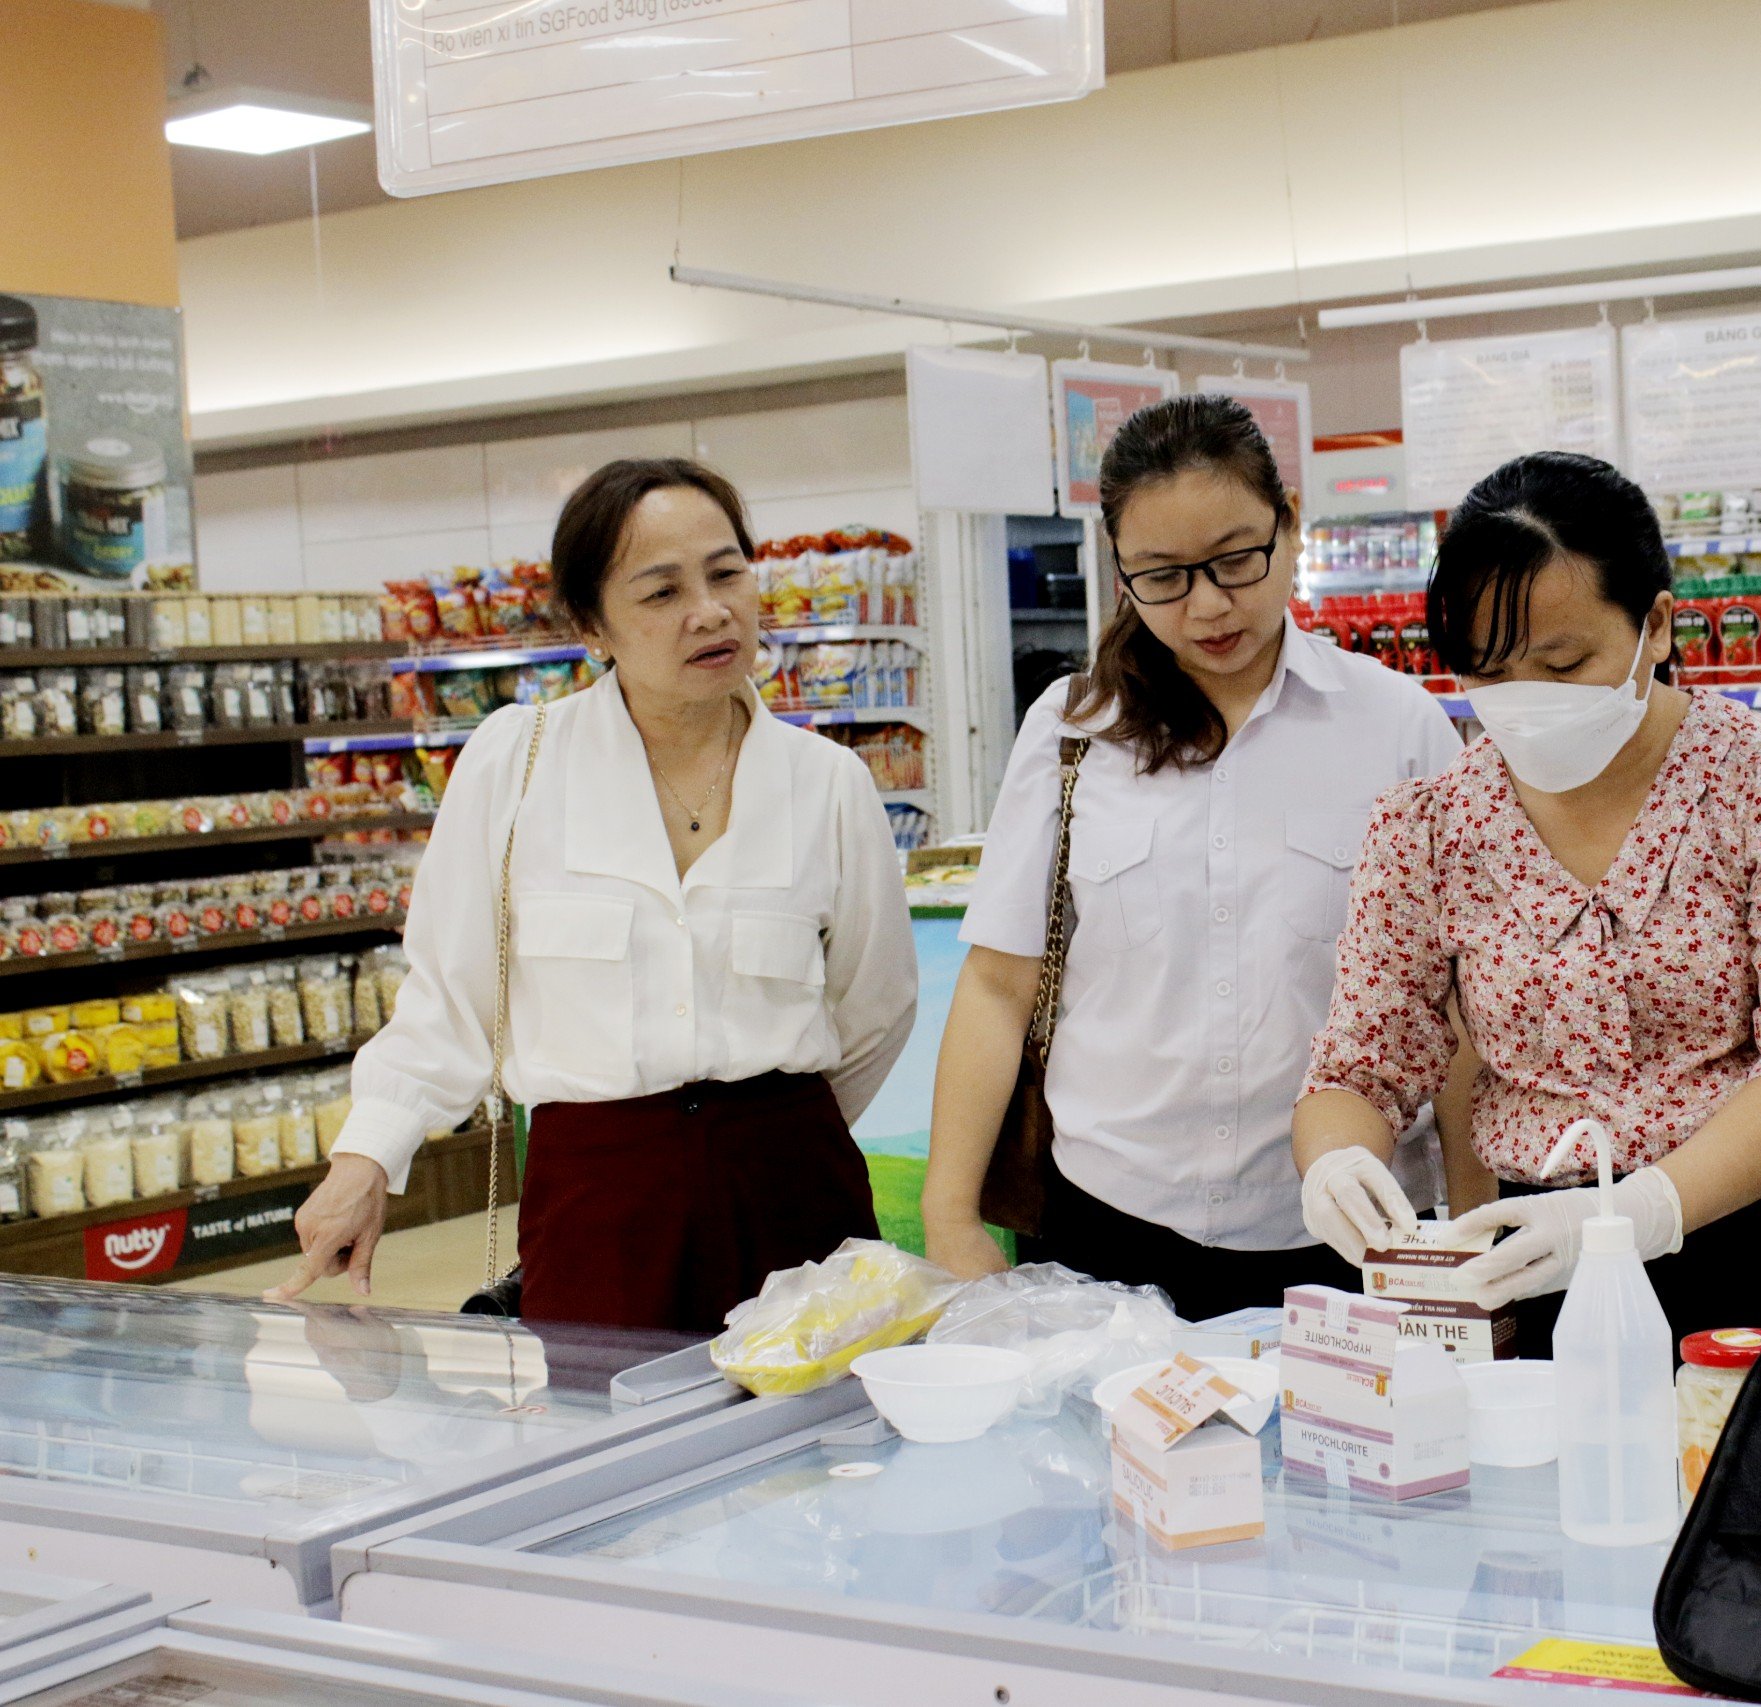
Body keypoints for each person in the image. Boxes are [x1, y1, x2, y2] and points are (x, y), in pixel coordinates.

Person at [272, 458, 918, 1331]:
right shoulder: (516, 762)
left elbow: (875, 1007)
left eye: (727, 572)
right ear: (592, 624)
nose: (711, 610)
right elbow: (451, 996)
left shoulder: (828, 782)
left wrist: (760, 1130)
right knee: (606, 1434)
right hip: (600, 1196)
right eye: (661, 592)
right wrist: (366, 1161)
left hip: (794, 1187)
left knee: (820, 1442)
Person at [1292, 452, 1761, 1355]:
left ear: (1654, 624)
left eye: (1563, 663)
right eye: (1488, 672)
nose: (1522, 703)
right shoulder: (1429, 829)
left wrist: (1644, 1209)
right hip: (1544, 1269)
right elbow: (1359, 1068)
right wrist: (1339, 1162)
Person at [923, 395, 1461, 1321]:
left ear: (1291, 525)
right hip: (1106, 1222)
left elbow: (1453, 1002)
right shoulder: (1072, 729)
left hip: (1346, 1230)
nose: (1208, 605)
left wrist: (1472, 1233)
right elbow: (998, 983)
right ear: (1120, 571)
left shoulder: (1396, 724)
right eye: (1163, 576)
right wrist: (950, 1211)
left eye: (1235, 560)